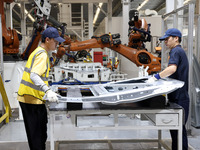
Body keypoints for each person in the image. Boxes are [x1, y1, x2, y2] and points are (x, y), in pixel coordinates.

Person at [17, 27, 65, 150]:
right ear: (47, 39)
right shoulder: (42, 55)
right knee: (37, 137)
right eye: (55, 41)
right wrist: (47, 90)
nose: (57, 44)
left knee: (39, 134)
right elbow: (34, 75)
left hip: (32, 99)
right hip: (31, 100)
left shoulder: (38, 51)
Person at [147, 28, 189, 150]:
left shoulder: (176, 51)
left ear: (176, 38)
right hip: (178, 97)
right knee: (177, 131)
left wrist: (156, 77)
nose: (165, 42)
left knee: (179, 132)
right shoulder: (178, 51)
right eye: (164, 40)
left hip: (179, 99)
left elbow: (172, 69)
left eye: (167, 39)